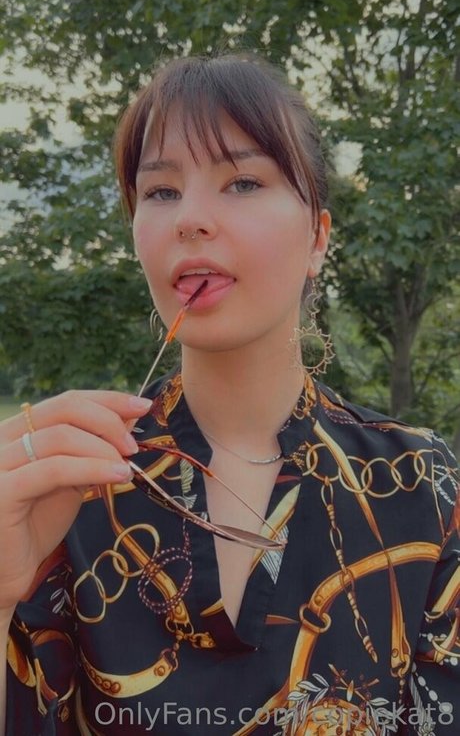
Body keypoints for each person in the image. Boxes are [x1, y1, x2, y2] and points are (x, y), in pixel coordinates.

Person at [0, 53, 458, 736]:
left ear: (317, 238)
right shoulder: (68, 484)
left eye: (243, 182)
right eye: (160, 191)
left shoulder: (419, 484)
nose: (190, 218)